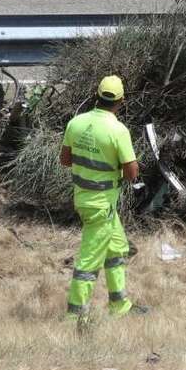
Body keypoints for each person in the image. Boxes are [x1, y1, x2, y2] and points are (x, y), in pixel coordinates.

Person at [60, 75, 148, 318]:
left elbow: (65, 160)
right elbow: (132, 173)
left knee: (117, 249)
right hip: (101, 206)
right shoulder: (118, 130)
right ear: (121, 100)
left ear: (96, 95)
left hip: (86, 199)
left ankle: (119, 306)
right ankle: (75, 316)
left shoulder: (76, 123)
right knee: (88, 263)